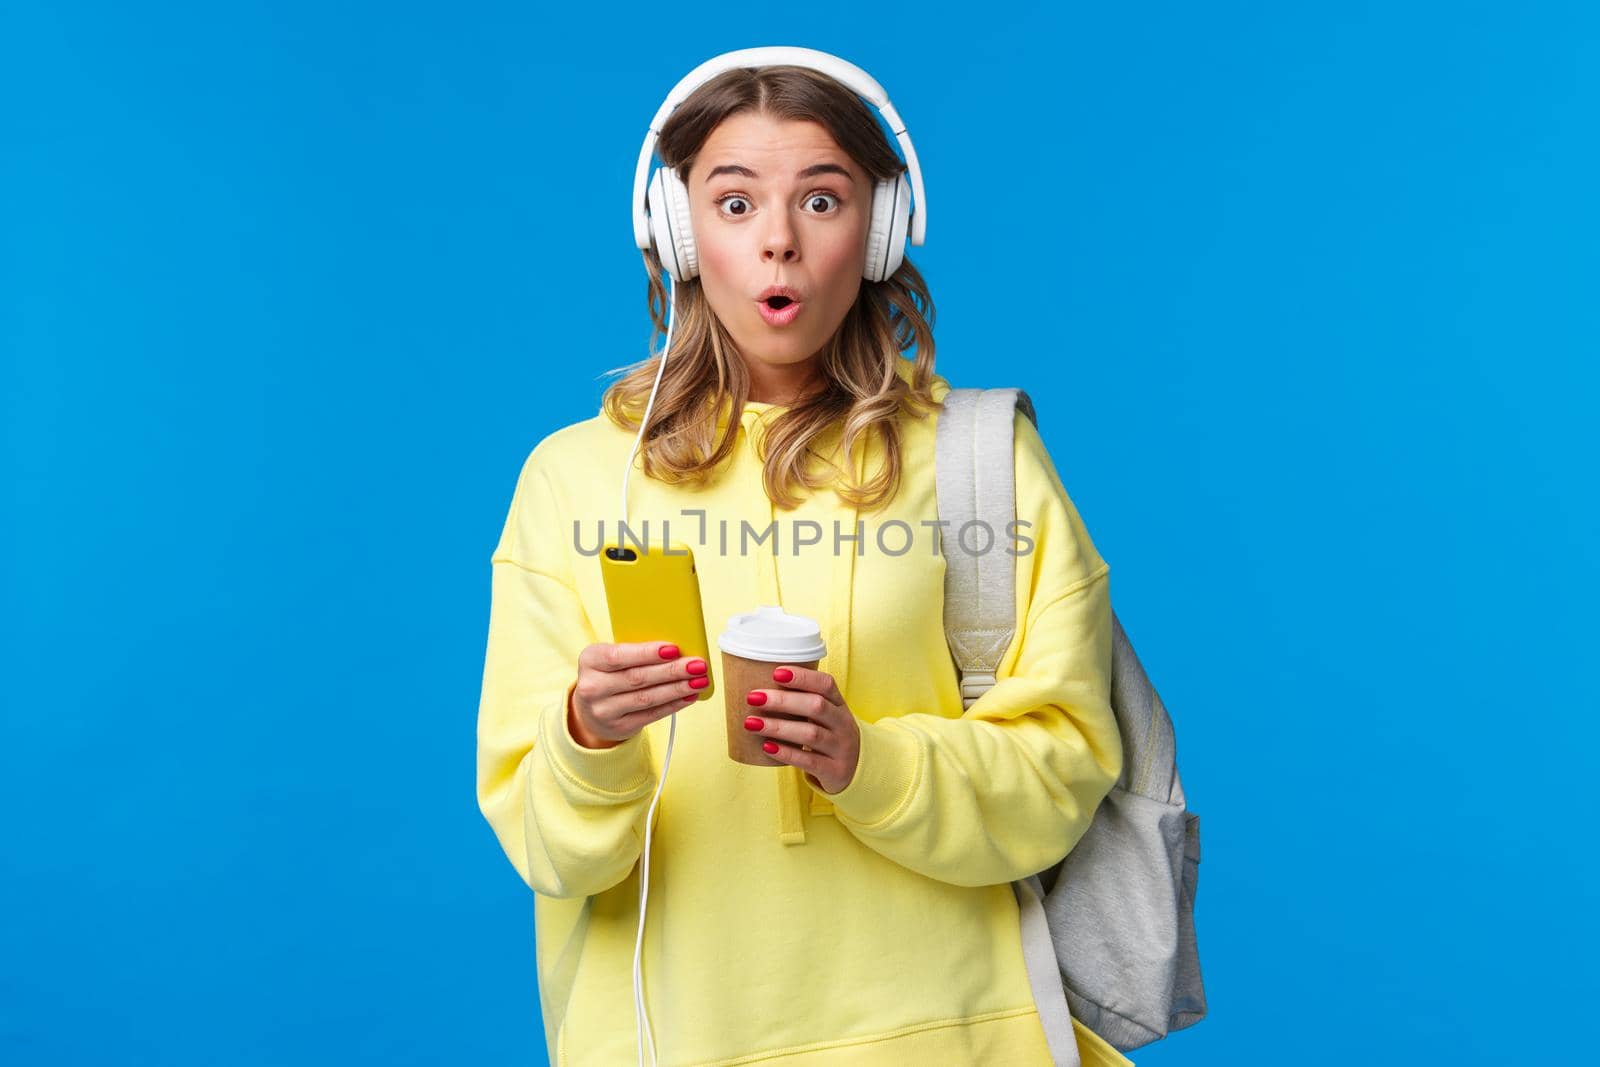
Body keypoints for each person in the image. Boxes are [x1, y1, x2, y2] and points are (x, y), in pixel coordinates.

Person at [476, 54, 1131, 1067]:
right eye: (733, 203)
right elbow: (549, 849)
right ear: (678, 232)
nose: (778, 239)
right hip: (670, 1039)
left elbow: (1062, 770)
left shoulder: (976, 460)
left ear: (875, 233)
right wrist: (584, 733)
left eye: (821, 199)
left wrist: (863, 758)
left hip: (955, 1035)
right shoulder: (575, 480)